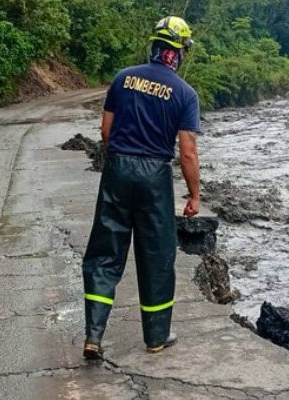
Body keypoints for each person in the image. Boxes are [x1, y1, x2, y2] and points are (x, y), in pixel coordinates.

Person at [81, 16, 201, 360]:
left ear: (154, 45)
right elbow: (187, 151)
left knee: (105, 252)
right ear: (178, 52)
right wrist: (194, 195)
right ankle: (156, 337)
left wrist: (121, 163)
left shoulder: (123, 78)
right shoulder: (184, 94)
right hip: (155, 177)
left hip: (118, 168)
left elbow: (106, 132)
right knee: (157, 256)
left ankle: (93, 334)